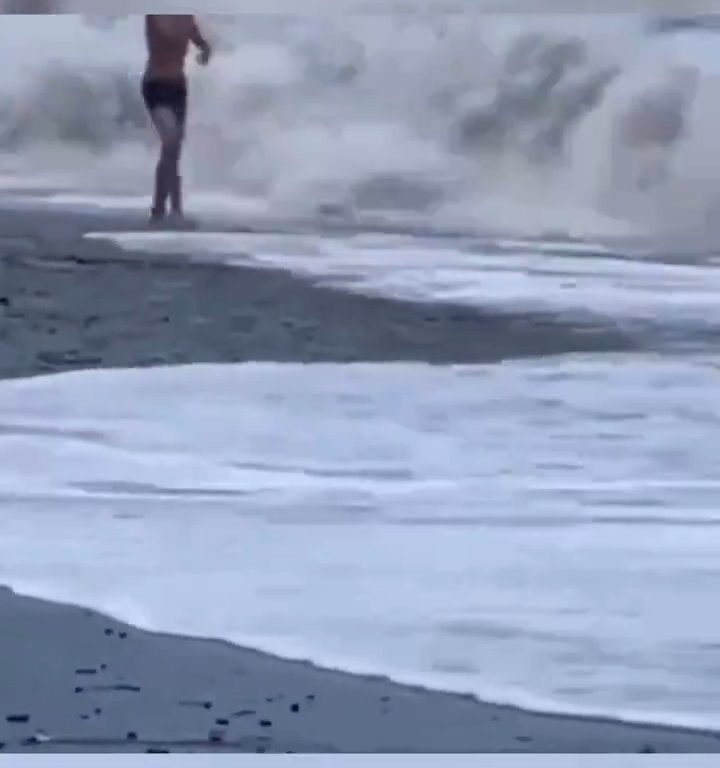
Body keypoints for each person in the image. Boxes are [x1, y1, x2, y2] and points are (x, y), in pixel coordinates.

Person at [142, 15, 212, 225]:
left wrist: (205, 52)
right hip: (155, 85)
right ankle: (174, 209)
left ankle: (161, 209)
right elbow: (165, 35)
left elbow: (203, 45)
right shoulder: (154, 15)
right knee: (170, 141)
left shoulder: (187, 17)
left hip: (178, 87)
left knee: (172, 149)